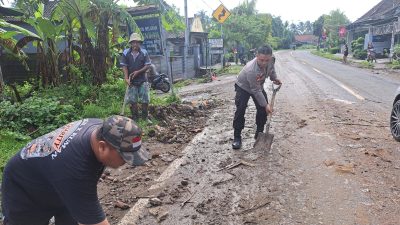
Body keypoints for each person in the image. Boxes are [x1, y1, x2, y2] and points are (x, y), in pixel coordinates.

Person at [1, 115, 150, 225]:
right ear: (102, 146)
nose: (127, 163)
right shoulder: (75, 169)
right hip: (23, 188)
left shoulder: (99, 128)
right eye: (124, 157)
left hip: (55, 180)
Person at [232, 45, 282, 149]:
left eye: (266, 60)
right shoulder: (251, 69)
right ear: (257, 56)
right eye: (261, 60)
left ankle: (259, 133)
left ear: (270, 57)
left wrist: (274, 78)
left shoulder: (271, 60)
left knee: (263, 110)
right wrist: (266, 104)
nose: (264, 63)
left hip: (257, 86)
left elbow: (271, 70)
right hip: (243, 87)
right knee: (240, 110)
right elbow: (255, 90)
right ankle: (237, 137)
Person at [120, 33, 152, 122]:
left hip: (142, 79)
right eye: (133, 42)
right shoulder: (126, 52)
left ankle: (145, 118)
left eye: (137, 42)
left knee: (145, 99)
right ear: (130, 43)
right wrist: (126, 78)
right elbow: (124, 66)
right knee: (133, 100)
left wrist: (138, 72)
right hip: (132, 80)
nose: (135, 44)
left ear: (139, 43)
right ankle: (135, 118)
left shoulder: (144, 52)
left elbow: (147, 65)